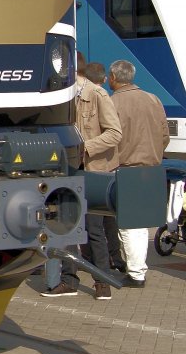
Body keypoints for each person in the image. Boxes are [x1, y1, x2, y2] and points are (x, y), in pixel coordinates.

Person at [42, 55, 122, 299]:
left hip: (93, 170)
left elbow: (115, 133)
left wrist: (86, 146)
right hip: (67, 170)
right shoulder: (61, 96)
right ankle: (69, 280)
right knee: (65, 227)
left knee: (93, 230)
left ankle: (102, 283)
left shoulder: (97, 95)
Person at [108, 59, 170, 288]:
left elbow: (110, 138)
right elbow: (165, 136)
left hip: (127, 169)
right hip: (152, 169)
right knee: (142, 223)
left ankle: (136, 273)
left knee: (129, 224)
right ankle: (138, 268)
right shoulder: (153, 99)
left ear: (113, 78)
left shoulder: (113, 102)